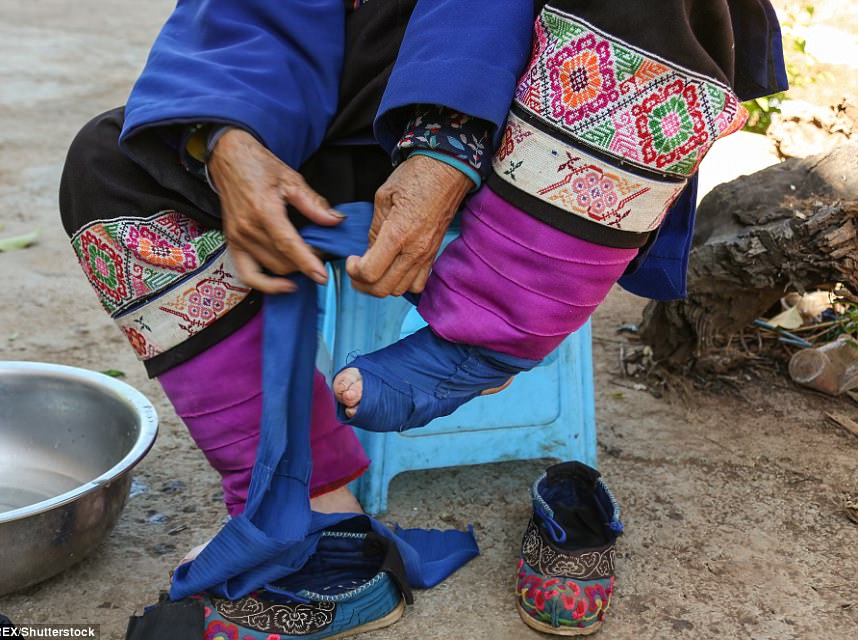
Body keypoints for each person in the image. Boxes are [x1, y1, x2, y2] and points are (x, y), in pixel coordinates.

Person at [60, 0, 786, 636]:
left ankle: (492, 333)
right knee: (109, 163)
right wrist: (222, 137)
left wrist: (447, 144)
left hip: (542, 122)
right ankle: (314, 515)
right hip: (367, 111)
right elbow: (248, 18)